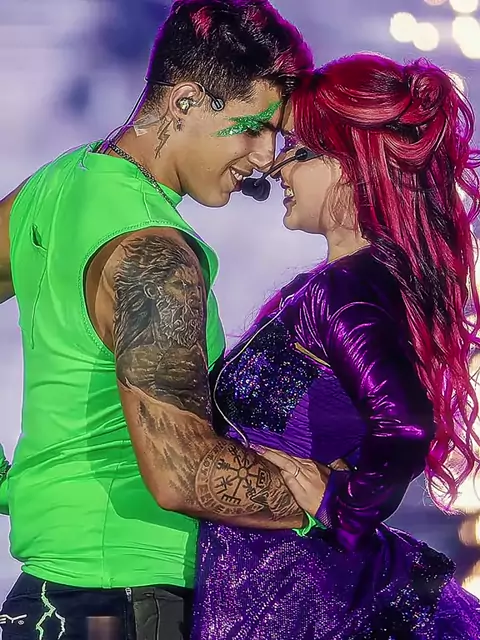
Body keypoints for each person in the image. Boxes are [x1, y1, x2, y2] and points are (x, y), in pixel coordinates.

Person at [0, 1, 317, 638]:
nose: (265, 157)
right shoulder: (155, 252)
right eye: (253, 128)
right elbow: (184, 474)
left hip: (48, 601)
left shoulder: (60, 185)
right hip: (129, 599)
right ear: (184, 101)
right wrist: (335, 500)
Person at [192, 54, 480, 639]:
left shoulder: (342, 294)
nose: (277, 168)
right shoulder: (358, 284)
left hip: (298, 592)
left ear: (351, 165)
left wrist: (343, 506)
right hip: (282, 582)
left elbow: (405, 424)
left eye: (298, 151)